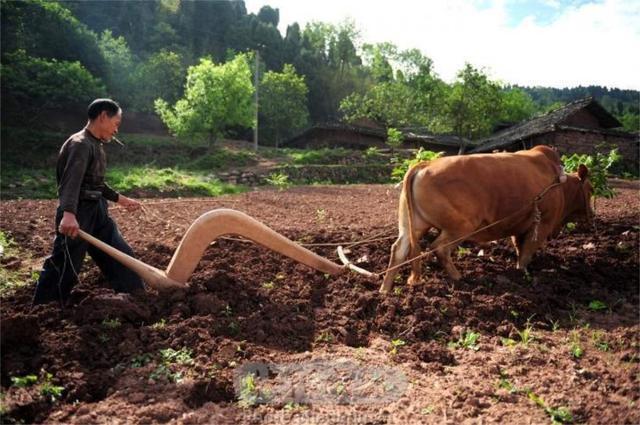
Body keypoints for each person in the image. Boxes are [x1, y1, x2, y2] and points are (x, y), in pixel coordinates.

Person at [32, 98, 145, 306]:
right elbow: (71, 182)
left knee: (121, 255)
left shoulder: (95, 144)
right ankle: (43, 309)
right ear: (103, 116)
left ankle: (138, 297)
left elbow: (96, 183)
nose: (116, 130)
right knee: (66, 263)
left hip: (98, 211)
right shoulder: (80, 144)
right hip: (79, 213)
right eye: (116, 123)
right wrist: (68, 214)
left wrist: (121, 199)